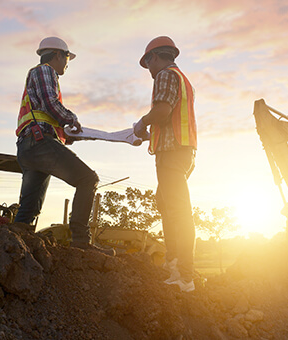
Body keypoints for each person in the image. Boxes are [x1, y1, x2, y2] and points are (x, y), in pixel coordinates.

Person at [14, 36, 114, 256]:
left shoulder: (37, 76)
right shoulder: (45, 70)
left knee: (29, 210)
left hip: (30, 146)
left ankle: (11, 248)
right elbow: (51, 104)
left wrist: (68, 134)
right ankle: (81, 241)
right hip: (39, 143)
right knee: (88, 179)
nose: (68, 63)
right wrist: (71, 118)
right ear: (58, 55)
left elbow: (44, 114)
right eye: (67, 58)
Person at [133, 36, 198, 292]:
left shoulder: (165, 75)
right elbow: (171, 119)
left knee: (178, 212)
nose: (148, 68)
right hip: (182, 151)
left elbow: (161, 112)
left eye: (147, 61)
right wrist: (149, 133)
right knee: (166, 204)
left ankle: (184, 276)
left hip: (172, 154)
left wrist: (142, 122)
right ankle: (174, 265)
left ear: (155, 57)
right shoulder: (182, 79)